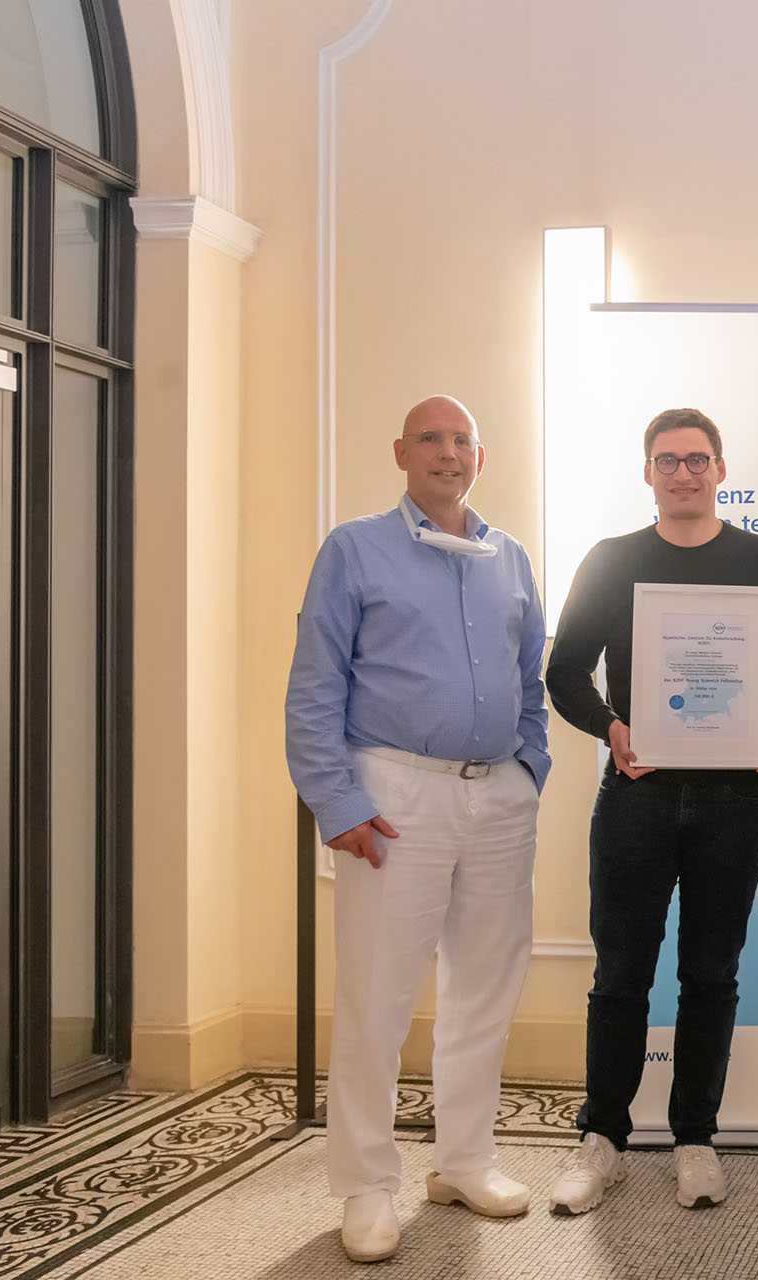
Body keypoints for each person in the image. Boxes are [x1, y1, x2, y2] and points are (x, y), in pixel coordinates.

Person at [543, 407, 758, 1215]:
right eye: (668, 460)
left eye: (698, 459)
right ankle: (601, 1137)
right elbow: (564, 670)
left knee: (710, 974)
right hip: (637, 795)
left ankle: (695, 1139)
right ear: (647, 472)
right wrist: (610, 725)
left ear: (721, 469)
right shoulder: (610, 562)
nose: (684, 472)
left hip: (737, 800)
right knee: (620, 978)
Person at [285, 395, 549, 1263]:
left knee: (485, 986)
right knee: (378, 993)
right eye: (431, 438)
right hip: (394, 791)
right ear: (401, 452)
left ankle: (464, 1161)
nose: (448, 452)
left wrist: (528, 768)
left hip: (497, 794)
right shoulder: (354, 549)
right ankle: (367, 1185)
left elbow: (530, 675)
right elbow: (316, 682)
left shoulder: (508, 557)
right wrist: (338, 799)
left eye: (462, 439)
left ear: (483, 455)